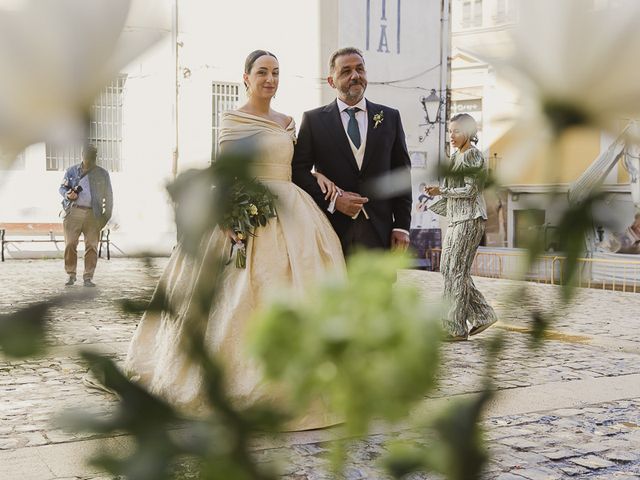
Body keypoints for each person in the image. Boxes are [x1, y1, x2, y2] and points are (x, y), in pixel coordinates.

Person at [125, 50, 345, 430]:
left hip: (294, 214)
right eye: (262, 72)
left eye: (276, 72)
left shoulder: (288, 122)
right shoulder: (233, 119)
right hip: (247, 210)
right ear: (246, 78)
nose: (270, 79)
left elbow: (294, 168)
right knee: (235, 297)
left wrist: (318, 176)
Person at [292, 47, 412, 255]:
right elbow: (298, 172)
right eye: (346, 71)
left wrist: (401, 226)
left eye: (360, 69)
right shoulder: (313, 120)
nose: (355, 76)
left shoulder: (390, 117)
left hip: (379, 231)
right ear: (331, 81)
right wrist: (334, 201)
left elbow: (400, 174)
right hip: (331, 229)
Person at [427, 113, 497, 340]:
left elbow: (471, 190)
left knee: (455, 271)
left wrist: (442, 191)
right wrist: (436, 193)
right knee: (449, 269)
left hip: (470, 218)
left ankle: (454, 327)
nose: (451, 135)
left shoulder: (473, 156)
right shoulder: (455, 157)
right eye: (450, 131)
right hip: (456, 218)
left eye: (456, 131)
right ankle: (482, 314)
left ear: (468, 132)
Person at [59, 144, 113, 287]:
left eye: (92, 156)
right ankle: (71, 275)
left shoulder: (102, 174)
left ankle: (88, 277)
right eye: (87, 156)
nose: (89, 159)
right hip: (73, 212)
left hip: (93, 214)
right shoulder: (71, 171)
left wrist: (104, 218)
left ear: (95, 157)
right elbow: (62, 187)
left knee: (92, 246)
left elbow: (109, 197)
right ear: (82, 155)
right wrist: (67, 194)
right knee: (70, 244)